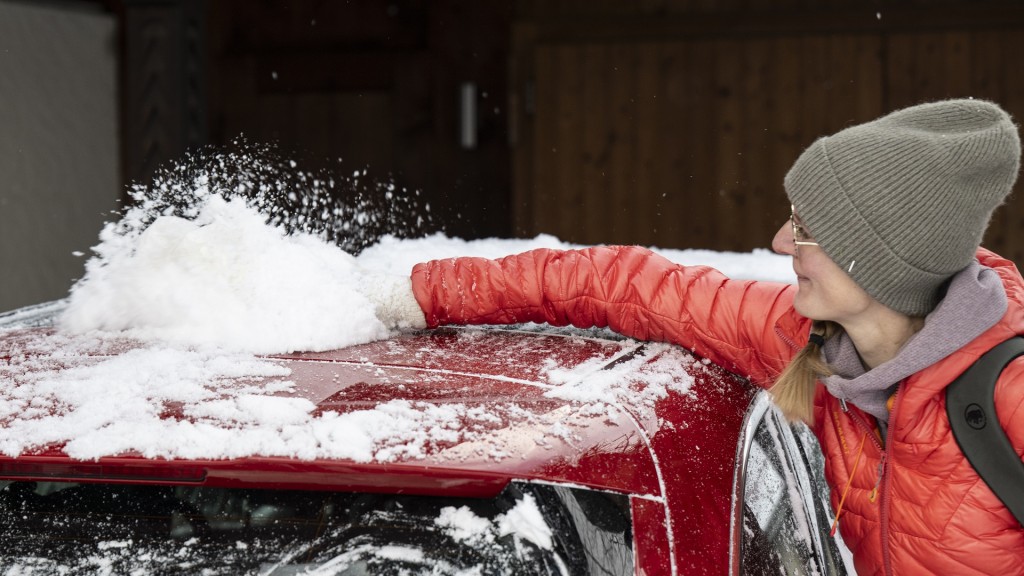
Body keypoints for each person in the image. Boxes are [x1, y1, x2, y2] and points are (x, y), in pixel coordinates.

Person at [371, 99, 1024, 575]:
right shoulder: (814, 346)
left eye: (806, 228)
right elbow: (625, 285)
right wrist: (432, 291)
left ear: (879, 259)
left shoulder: (1009, 395)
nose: (777, 244)